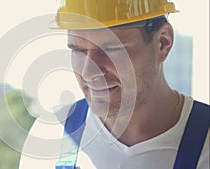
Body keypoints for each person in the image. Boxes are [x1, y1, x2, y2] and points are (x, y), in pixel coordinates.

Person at [19, 0, 209, 169]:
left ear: (163, 42)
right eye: (78, 50)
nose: (89, 73)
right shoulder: (52, 134)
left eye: (111, 49)